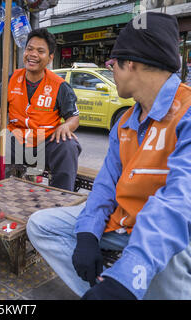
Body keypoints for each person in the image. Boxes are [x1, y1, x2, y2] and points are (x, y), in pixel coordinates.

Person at [26, 12, 191, 300]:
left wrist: (130, 274)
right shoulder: (124, 121)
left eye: (112, 63)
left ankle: (124, 287)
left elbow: (180, 203)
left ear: (132, 63)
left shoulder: (187, 112)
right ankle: (104, 291)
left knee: (171, 251)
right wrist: (88, 233)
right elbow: (106, 183)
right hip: (124, 220)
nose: (110, 69)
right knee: (41, 225)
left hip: (169, 230)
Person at [0, 28, 81, 191]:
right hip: (16, 142)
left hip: (45, 145)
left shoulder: (60, 86)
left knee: (69, 145)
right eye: (29, 49)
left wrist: (66, 126)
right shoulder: (9, 80)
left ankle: (62, 199)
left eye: (40, 51)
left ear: (50, 58)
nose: (33, 54)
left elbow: (74, 118)